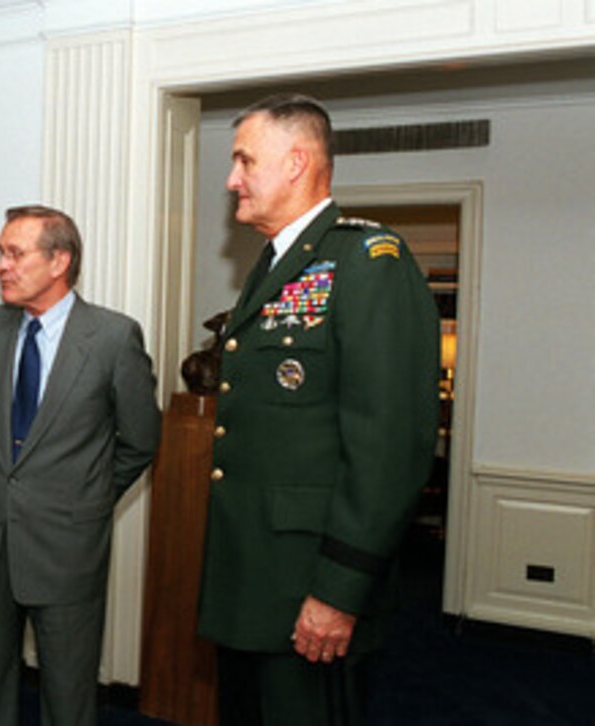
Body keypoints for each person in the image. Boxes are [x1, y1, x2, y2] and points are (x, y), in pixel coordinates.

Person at [196, 94, 440, 725]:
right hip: (254, 580)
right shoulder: (275, 266)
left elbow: (388, 449)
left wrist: (338, 590)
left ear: (297, 162)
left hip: (308, 587)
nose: (232, 180)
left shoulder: (365, 263)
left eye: (245, 161)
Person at [0, 205, 161, 726]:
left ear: (59, 261)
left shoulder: (114, 337)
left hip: (67, 552)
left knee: (69, 696)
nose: (2, 265)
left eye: (15, 253)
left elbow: (141, 441)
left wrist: (88, 499)